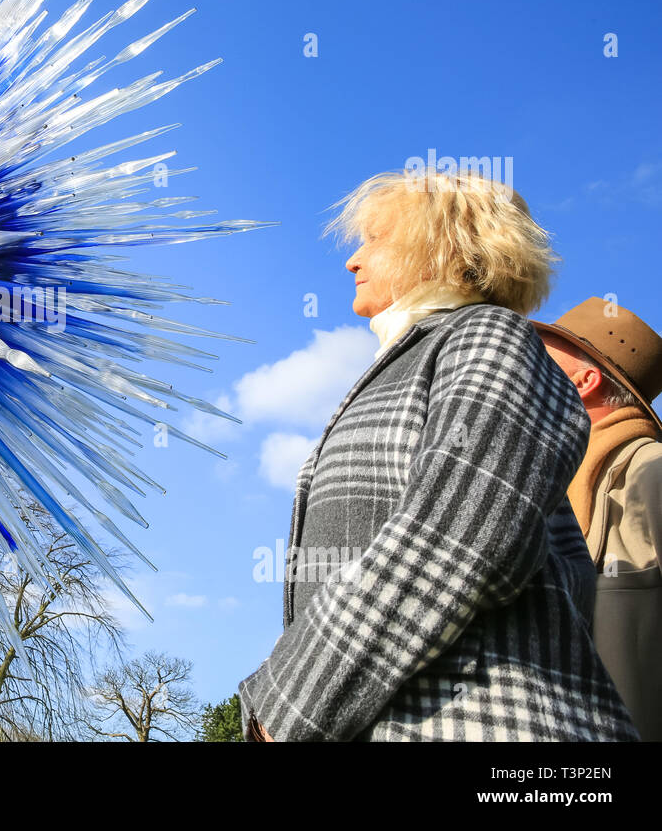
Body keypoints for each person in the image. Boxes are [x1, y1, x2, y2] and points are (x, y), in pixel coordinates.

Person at [238, 168, 637, 741]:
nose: (351, 260)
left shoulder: (489, 334)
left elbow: (458, 534)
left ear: (439, 246)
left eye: (372, 239)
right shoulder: (415, 358)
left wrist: (290, 706)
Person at [533, 298, 662, 740]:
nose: (525, 366)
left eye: (543, 356)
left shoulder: (650, 471)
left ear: (585, 381)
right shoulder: (552, 479)